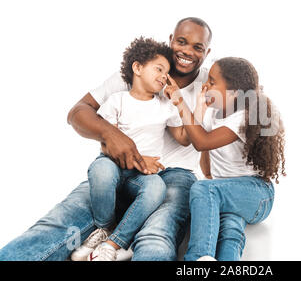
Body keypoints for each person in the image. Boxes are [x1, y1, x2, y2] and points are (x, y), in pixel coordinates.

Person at [0, 17, 247, 261]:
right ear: (170, 40)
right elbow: (78, 111)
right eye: (181, 42)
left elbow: (248, 106)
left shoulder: (213, 84)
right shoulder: (137, 73)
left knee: (157, 237)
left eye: (198, 47)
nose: (187, 51)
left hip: (174, 175)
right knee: (59, 223)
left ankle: (117, 242)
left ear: (207, 52)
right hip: (120, 167)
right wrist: (111, 134)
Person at [71, 37, 191, 261]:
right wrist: (140, 158)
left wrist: (179, 101)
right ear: (137, 68)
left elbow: (184, 138)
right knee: (101, 171)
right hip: (113, 165)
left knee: (157, 187)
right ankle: (104, 227)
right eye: (159, 69)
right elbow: (107, 144)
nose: (164, 76)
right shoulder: (117, 100)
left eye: (167, 73)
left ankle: (114, 242)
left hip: (143, 176)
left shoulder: (165, 107)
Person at [164, 57, 286, 261]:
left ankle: (197, 259)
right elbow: (206, 161)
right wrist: (201, 108)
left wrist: (179, 101)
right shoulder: (214, 114)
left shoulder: (244, 117)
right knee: (229, 227)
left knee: (202, 188)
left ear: (234, 94)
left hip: (257, 194)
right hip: (228, 192)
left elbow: (201, 142)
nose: (206, 85)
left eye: (212, 82)